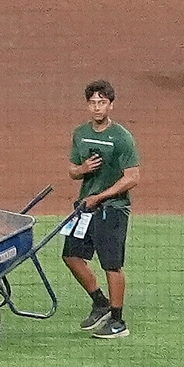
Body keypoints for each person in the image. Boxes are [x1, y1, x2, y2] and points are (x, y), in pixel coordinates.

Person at [62, 78, 137, 335]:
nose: (97, 107)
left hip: (113, 209)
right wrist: (82, 170)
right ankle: (100, 303)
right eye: (93, 103)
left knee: (111, 264)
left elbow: (132, 177)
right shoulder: (80, 134)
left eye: (102, 103)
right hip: (85, 207)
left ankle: (118, 321)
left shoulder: (121, 138)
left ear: (111, 106)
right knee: (71, 256)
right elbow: (72, 171)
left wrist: (101, 197)